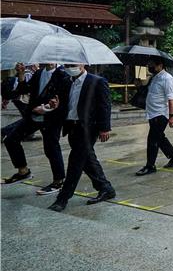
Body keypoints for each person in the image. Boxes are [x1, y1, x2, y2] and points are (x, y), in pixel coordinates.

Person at [48, 64, 116, 212]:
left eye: (73, 65)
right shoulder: (67, 81)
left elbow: (105, 105)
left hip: (88, 128)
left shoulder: (97, 81)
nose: (69, 68)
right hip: (71, 126)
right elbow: (66, 105)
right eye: (67, 65)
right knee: (87, 160)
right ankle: (105, 188)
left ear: (82, 65)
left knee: (75, 161)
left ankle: (63, 198)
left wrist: (104, 128)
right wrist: (56, 105)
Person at [2, 63, 72, 195]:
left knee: (51, 147)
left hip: (52, 118)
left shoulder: (63, 75)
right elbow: (24, 90)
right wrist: (21, 74)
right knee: (11, 139)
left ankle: (58, 180)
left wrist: (48, 108)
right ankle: (23, 171)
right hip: (34, 115)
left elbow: (66, 99)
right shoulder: (39, 73)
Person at [136, 58, 173, 176]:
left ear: (160, 65)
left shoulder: (167, 78)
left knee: (152, 140)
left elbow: (171, 99)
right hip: (152, 113)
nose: (150, 67)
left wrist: (172, 116)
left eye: (152, 65)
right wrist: (139, 85)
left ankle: (150, 165)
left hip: (160, 114)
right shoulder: (155, 77)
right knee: (159, 137)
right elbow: (150, 92)